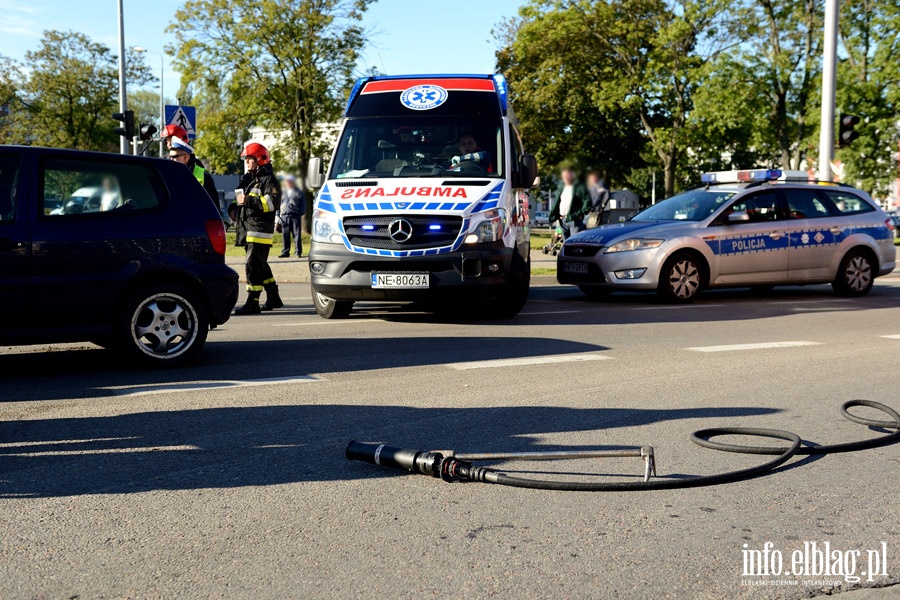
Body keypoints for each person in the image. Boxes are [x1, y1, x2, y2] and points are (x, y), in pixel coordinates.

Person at [228, 142, 283, 315]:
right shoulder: (248, 179)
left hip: (259, 231)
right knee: (260, 264)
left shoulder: (269, 180)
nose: (247, 163)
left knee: (252, 266)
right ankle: (274, 297)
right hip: (247, 228)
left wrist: (248, 201)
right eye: (246, 160)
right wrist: (233, 208)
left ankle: (253, 302)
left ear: (260, 159)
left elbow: (272, 203)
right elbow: (239, 198)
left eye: (250, 160)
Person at [168, 137, 219, 203]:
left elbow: (214, 205)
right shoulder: (168, 174)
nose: (171, 160)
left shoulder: (204, 176)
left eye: (174, 157)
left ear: (185, 157)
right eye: (170, 157)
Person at [549, 167, 591, 240]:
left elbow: (587, 201)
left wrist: (581, 213)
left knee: (575, 243)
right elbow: (556, 201)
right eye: (564, 176)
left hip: (575, 219)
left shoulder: (580, 187)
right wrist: (556, 215)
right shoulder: (561, 187)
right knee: (566, 243)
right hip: (562, 220)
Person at [277, 174, 306, 258]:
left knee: (296, 235)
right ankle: (285, 252)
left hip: (295, 216)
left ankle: (298, 252)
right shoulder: (283, 192)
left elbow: (303, 205)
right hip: (284, 216)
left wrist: (300, 213)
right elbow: (279, 203)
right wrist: (278, 215)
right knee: (285, 235)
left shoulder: (299, 192)